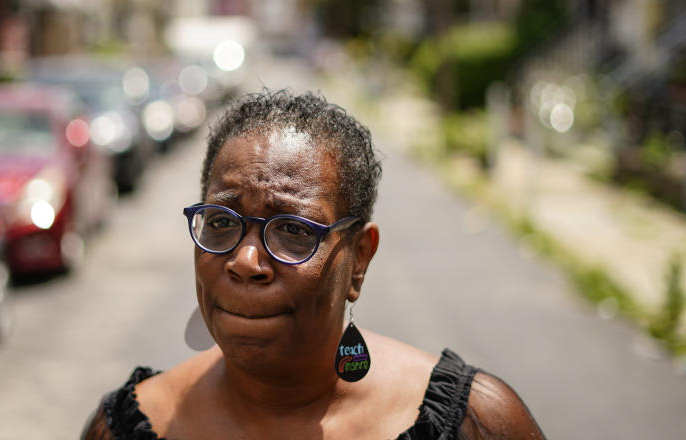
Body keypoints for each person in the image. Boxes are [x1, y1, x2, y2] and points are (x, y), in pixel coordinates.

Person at [82, 89, 545, 440]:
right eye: (221, 221)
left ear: (359, 259)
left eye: (295, 230)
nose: (245, 262)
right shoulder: (129, 426)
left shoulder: (475, 425)